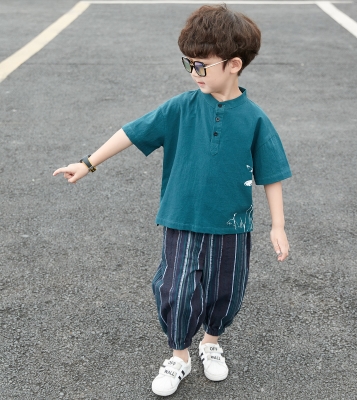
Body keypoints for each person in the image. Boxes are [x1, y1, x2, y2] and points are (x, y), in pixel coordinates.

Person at [53, 4, 291, 397]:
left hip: (232, 226)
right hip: (181, 219)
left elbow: (272, 173)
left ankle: (211, 342)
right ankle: (179, 356)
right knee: (176, 291)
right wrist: (88, 163)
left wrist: (278, 225)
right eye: (189, 63)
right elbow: (132, 132)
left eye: (201, 65)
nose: (194, 72)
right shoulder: (180, 108)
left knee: (226, 291)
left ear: (234, 65)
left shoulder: (255, 119)